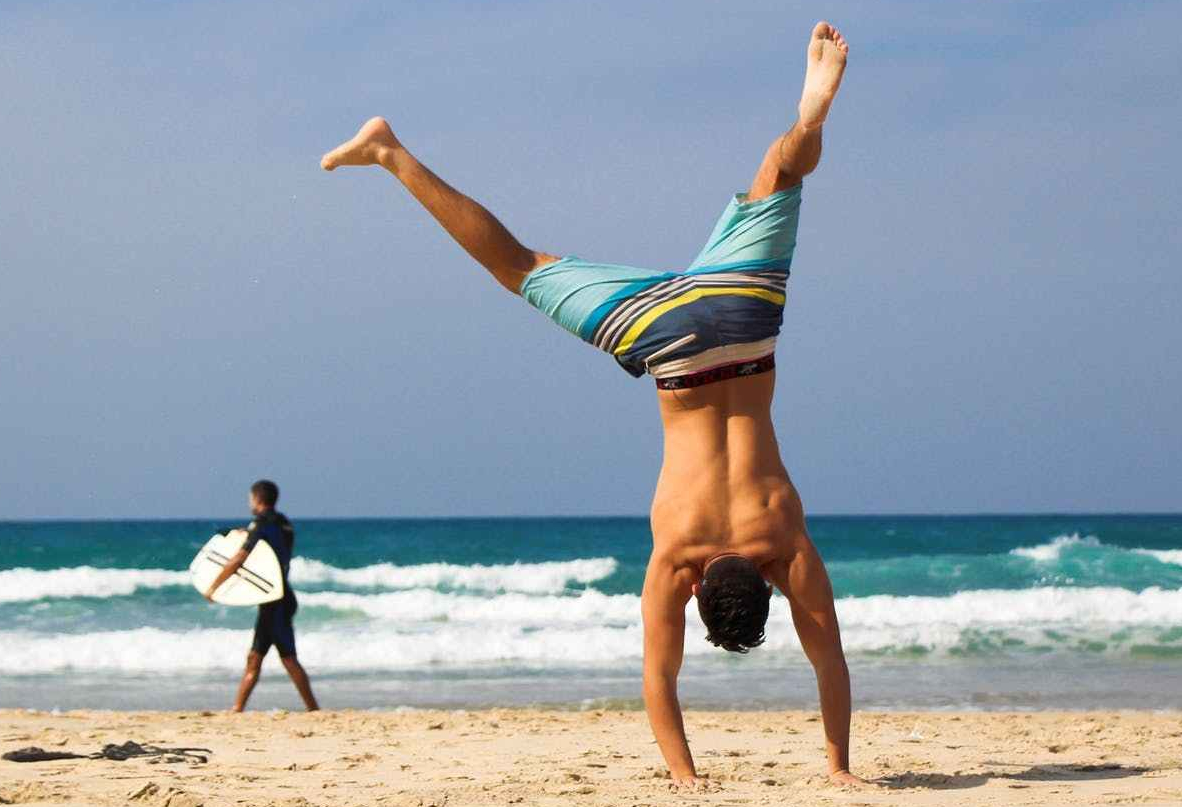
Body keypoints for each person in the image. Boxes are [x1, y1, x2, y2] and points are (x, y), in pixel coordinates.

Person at [320, 21, 860, 787]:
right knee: (519, 265)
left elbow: (831, 659)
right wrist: (683, 775)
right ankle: (389, 153)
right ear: (698, 591)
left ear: (766, 584)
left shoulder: (784, 539)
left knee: (780, 171)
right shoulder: (679, 555)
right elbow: (660, 677)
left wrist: (840, 766)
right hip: (667, 345)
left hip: (743, 320)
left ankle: (806, 123)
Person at [203, 479, 320, 712]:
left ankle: (313, 710)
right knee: (255, 657)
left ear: (257, 498)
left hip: (275, 603)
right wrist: (246, 532)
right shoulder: (284, 524)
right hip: (280, 597)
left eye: (250, 498)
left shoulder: (261, 524)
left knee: (288, 658)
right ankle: (237, 708)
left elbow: (239, 558)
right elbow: (272, 549)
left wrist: (214, 587)